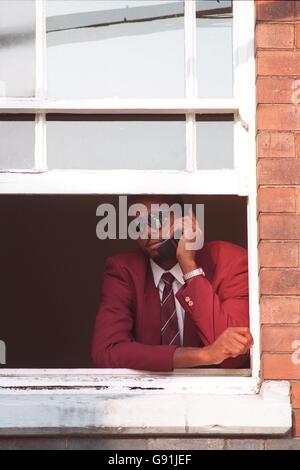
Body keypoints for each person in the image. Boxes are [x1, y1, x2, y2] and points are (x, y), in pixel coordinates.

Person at [92, 195, 253, 371]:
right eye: (137, 226)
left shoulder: (230, 261)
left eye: (156, 219)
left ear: (187, 218)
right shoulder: (124, 270)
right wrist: (205, 355)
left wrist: (189, 267)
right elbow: (107, 352)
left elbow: (234, 356)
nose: (147, 232)